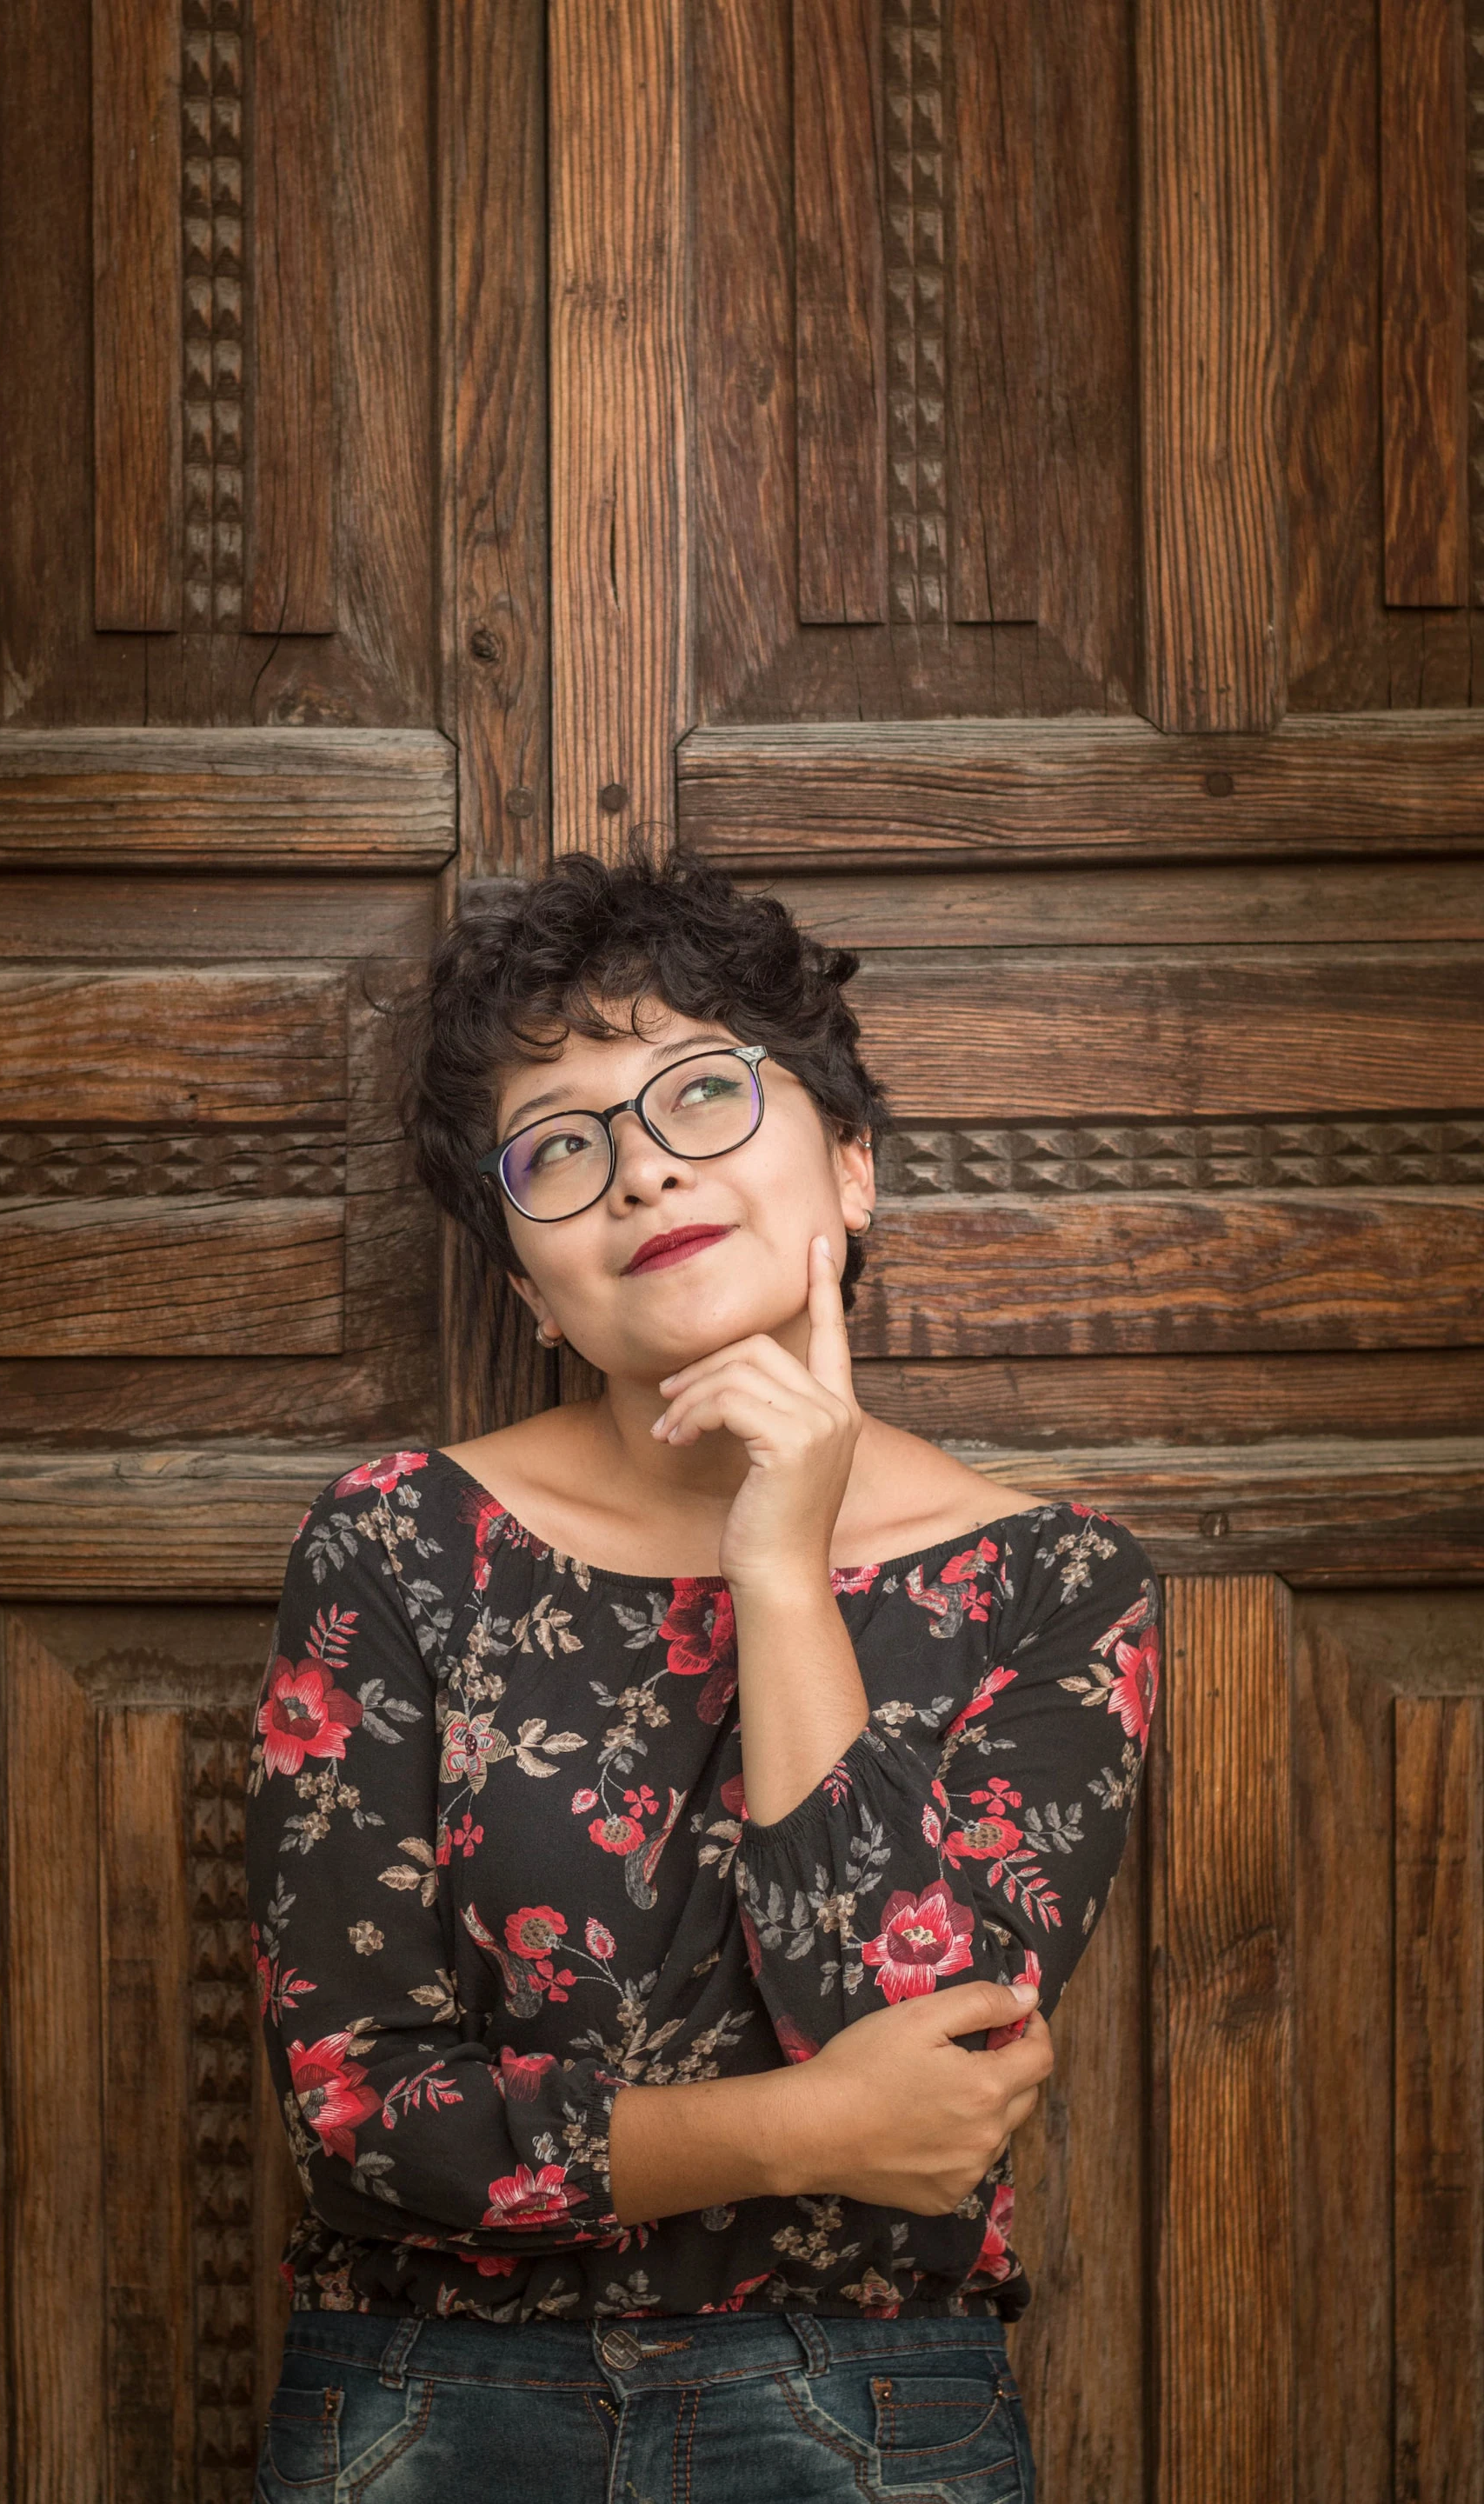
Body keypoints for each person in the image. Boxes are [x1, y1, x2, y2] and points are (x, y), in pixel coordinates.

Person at [245, 851, 1159, 2501]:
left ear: (855, 1168)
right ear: (527, 1279)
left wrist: (779, 1565)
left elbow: (918, 2053)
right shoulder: (394, 1542)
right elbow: (360, 2118)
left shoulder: (1056, 1583)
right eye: (563, 1147)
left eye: (701, 1099)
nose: (643, 1178)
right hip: (429, 2406)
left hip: (870, 2412)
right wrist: (805, 2135)